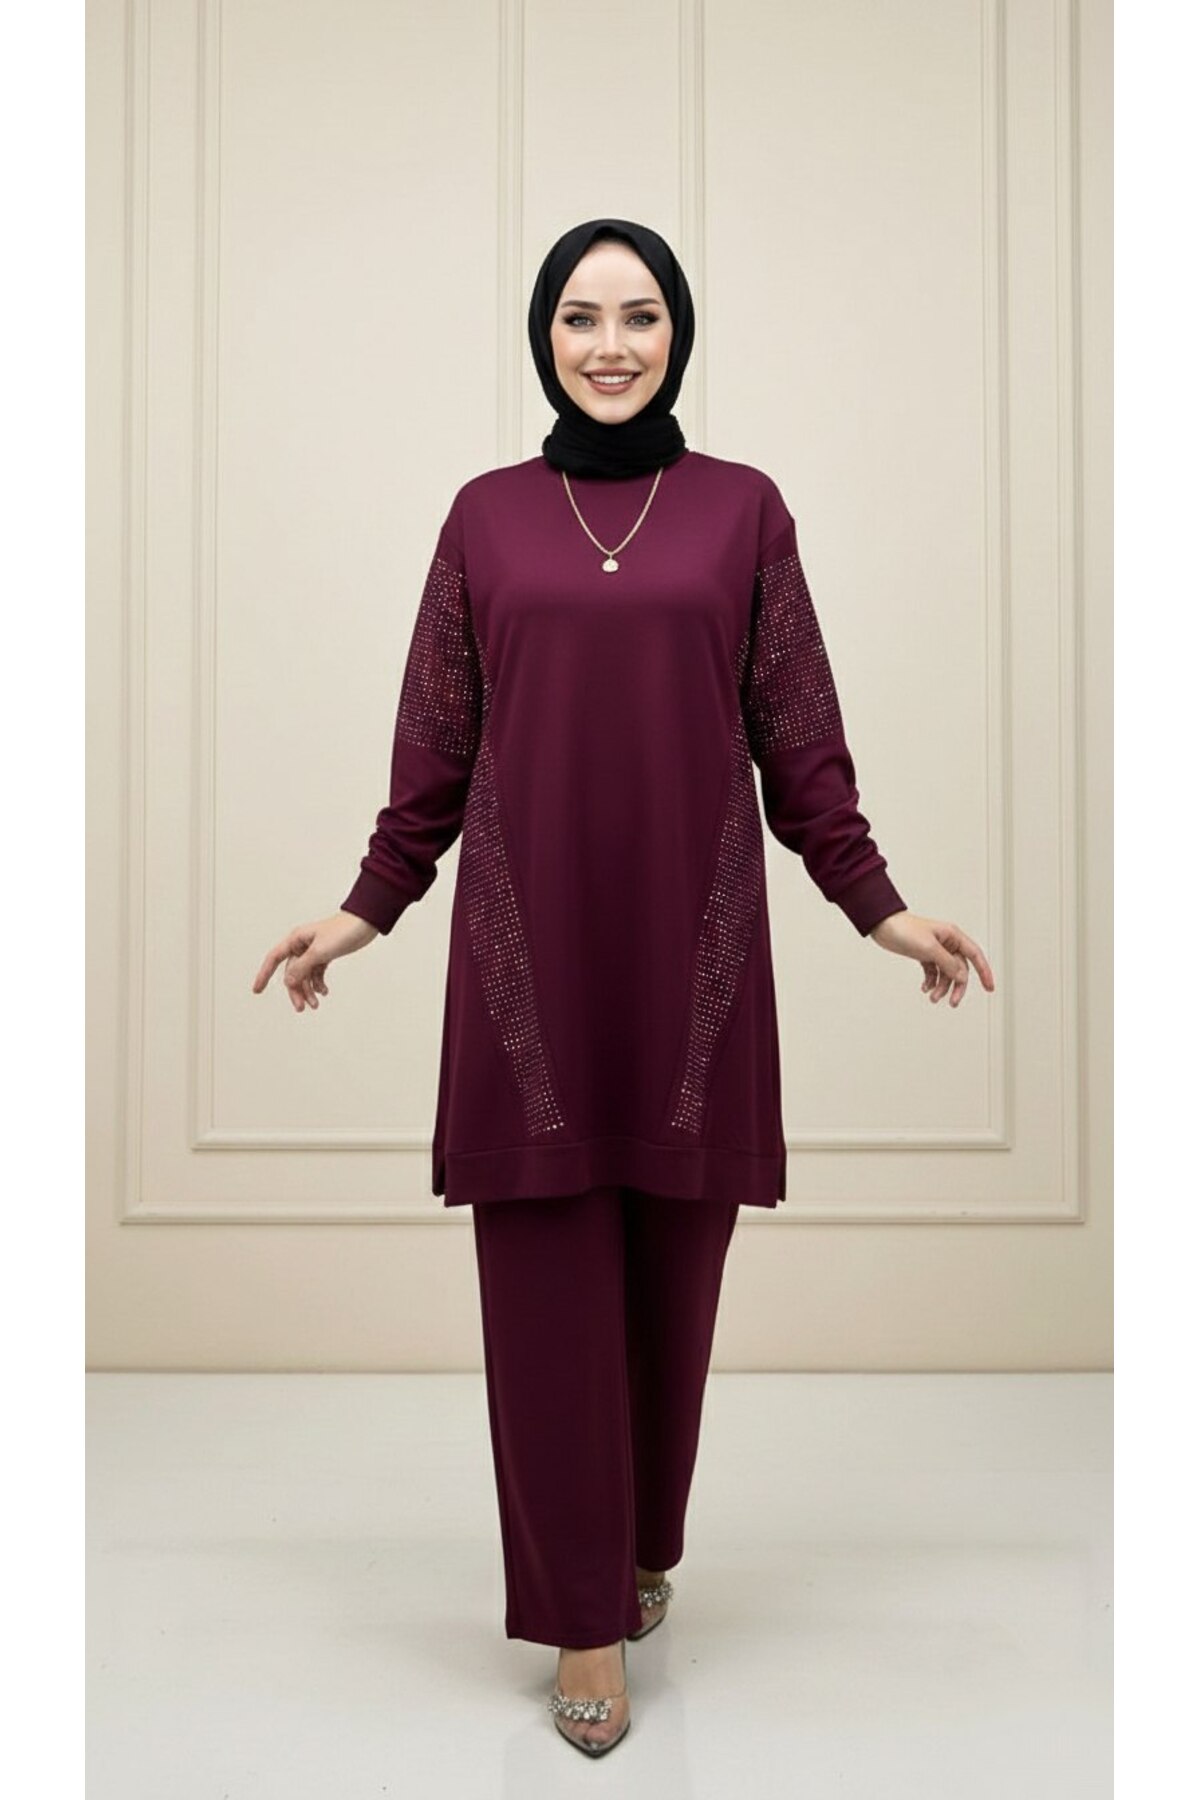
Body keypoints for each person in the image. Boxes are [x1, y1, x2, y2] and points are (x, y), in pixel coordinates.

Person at [252, 216, 995, 1757]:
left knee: (673, 1289)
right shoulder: (485, 518)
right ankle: (581, 1620)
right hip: (524, 968)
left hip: (693, 968)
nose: (610, 344)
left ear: (677, 334)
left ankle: (643, 1544)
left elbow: (800, 739)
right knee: (544, 1300)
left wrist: (881, 906)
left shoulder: (742, 512)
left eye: (640, 315)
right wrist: (363, 909)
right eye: (581, 316)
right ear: (543, 335)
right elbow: (434, 748)